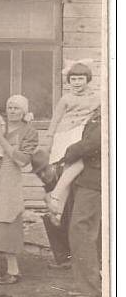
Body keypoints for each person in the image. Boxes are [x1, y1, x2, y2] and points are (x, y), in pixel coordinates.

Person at [0, 95, 38, 285]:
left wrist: (2, 141)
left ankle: (13, 270)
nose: (12, 111)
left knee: (7, 220)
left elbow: (22, 160)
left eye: (17, 108)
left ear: (24, 111)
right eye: (10, 107)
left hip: (9, 181)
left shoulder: (29, 131)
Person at [44, 63, 100, 222]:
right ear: (69, 81)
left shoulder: (96, 97)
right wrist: (49, 139)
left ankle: (57, 211)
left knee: (69, 174)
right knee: (78, 165)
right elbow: (55, 120)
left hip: (81, 134)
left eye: (80, 79)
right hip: (66, 134)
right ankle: (54, 195)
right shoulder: (66, 98)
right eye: (73, 79)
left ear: (87, 80)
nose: (76, 82)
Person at [60, 106, 102, 297]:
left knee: (80, 231)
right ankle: (87, 285)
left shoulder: (110, 111)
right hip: (89, 180)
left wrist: (69, 151)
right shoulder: (98, 112)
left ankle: (90, 291)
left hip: (95, 180)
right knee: (84, 232)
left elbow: (92, 143)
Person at [31, 149, 73, 270]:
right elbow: (50, 198)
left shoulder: (63, 172)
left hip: (75, 207)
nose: (42, 175)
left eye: (44, 170)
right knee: (49, 219)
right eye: (38, 173)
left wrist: (51, 201)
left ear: (53, 165)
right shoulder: (48, 181)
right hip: (63, 210)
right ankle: (64, 259)